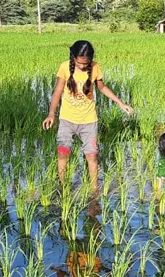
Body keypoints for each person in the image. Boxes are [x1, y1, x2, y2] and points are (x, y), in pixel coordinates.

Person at [42, 40, 133, 193]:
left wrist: (120, 102)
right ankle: (63, 187)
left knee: (91, 156)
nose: (83, 66)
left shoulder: (95, 67)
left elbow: (102, 87)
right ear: (73, 58)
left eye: (86, 64)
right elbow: (57, 91)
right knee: (63, 152)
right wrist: (51, 113)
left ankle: (94, 189)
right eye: (79, 63)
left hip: (89, 120)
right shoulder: (64, 67)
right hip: (67, 119)